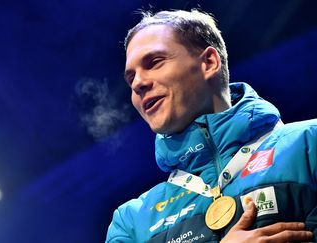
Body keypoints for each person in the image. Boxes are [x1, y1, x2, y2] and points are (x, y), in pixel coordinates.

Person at [106, 9, 317, 242]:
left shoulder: (309, 143)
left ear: (209, 62)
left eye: (154, 62)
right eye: (130, 78)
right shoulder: (131, 222)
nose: (138, 84)